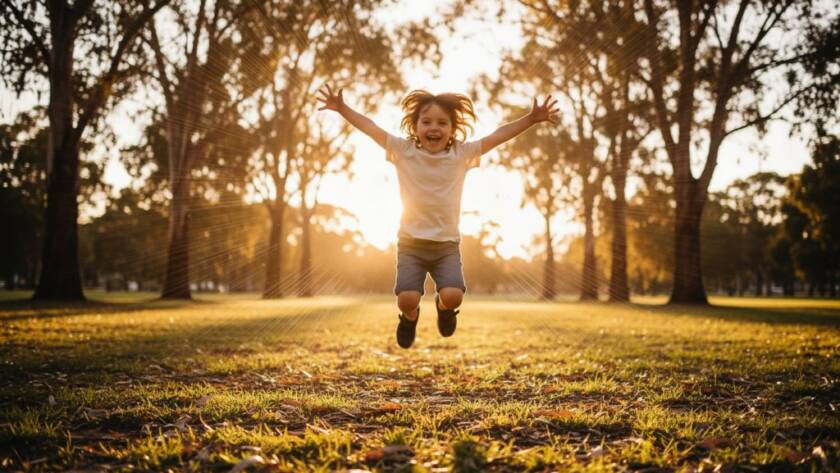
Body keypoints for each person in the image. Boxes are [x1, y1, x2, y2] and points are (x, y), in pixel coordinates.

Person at [318, 85, 558, 348]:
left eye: (443, 123)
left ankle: (444, 309)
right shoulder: (402, 150)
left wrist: (531, 119)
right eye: (427, 121)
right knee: (406, 299)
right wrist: (342, 109)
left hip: (446, 246)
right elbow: (370, 127)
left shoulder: (462, 155)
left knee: (453, 295)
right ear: (415, 126)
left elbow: (497, 136)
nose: (435, 127)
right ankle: (410, 318)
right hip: (411, 244)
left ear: (453, 129)